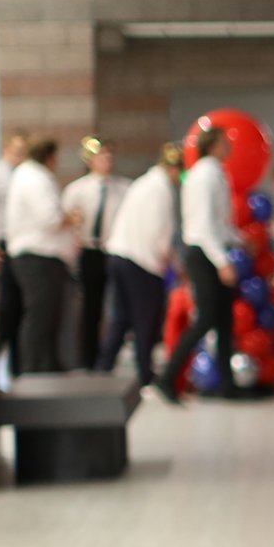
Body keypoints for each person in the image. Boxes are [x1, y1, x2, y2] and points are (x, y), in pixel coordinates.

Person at [159, 127, 238, 399]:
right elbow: (204, 226)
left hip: (210, 249)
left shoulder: (215, 173)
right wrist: (222, 261)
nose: (229, 146)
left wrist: (239, 240)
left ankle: (228, 385)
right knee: (205, 319)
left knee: (225, 321)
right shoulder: (205, 175)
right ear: (213, 145)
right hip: (204, 253)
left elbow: (219, 223)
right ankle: (167, 377)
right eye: (224, 142)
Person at [103, 141, 180, 394]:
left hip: (119, 254)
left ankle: (102, 368)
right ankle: (145, 375)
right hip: (140, 261)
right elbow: (160, 232)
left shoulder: (142, 183)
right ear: (174, 169)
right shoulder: (161, 189)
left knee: (121, 318)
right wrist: (170, 261)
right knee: (145, 320)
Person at [4, 138, 78, 375]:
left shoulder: (29, 175)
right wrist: (72, 218)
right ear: (49, 156)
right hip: (37, 256)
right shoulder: (35, 177)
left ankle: (46, 364)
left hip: (36, 256)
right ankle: (35, 367)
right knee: (40, 315)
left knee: (46, 315)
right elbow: (49, 218)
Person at [62, 138, 129, 374]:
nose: (107, 160)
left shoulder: (124, 188)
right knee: (91, 307)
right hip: (90, 250)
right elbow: (66, 223)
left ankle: (111, 355)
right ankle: (89, 358)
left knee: (119, 305)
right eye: (102, 156)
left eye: (110, 155)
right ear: (90, 160)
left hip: (115, 250)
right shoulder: (77, 190)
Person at [0, 130, 30, 377]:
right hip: (2, 244)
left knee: (18, 309)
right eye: (16, 151)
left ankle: (17, 368)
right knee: (6, 310)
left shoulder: (25, 175)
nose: (20, 156)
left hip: (18, 242)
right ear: (5, 150)